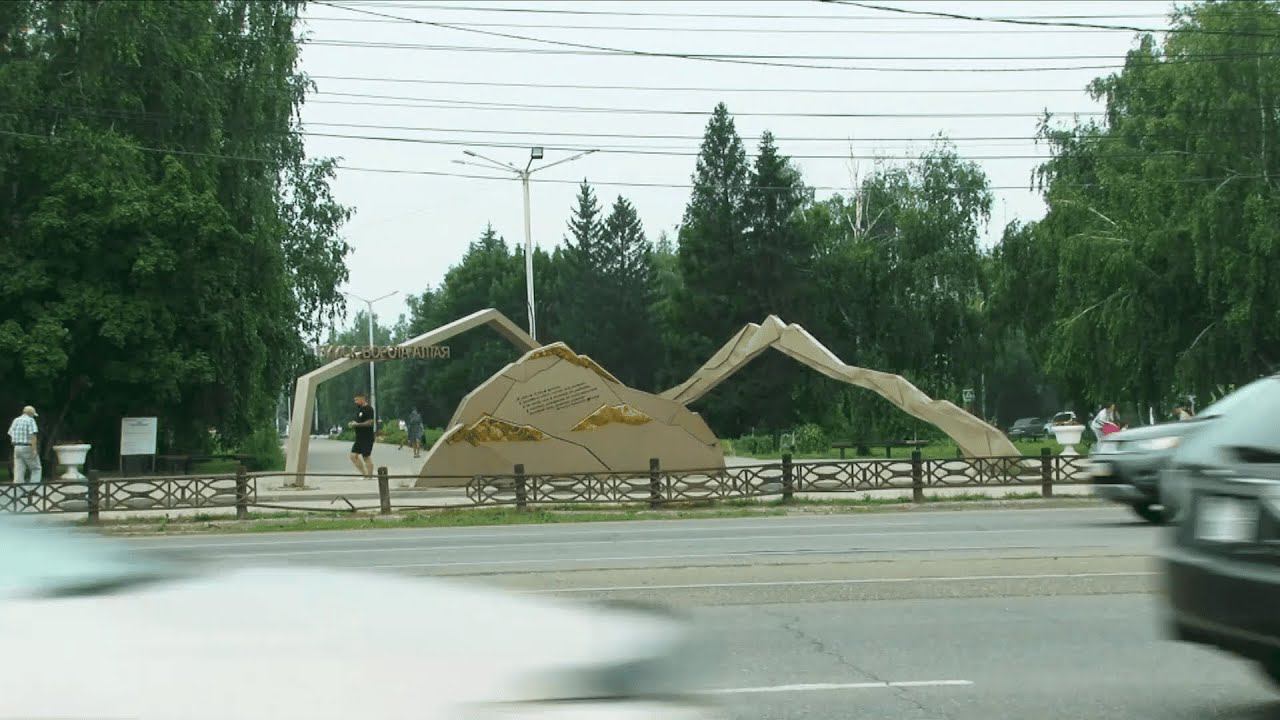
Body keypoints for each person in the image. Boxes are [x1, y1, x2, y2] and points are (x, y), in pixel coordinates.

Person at [7, 405, 41, 485]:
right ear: (31, 414)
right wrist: (34, 450)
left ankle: (18, 490)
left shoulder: (16, 420)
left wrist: (15, 443)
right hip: (27, 447)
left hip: (17, 447)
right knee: (36, 468)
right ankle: (33, 489)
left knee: (19, 469)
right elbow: (33, 436)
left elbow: (10, 433)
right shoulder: (30, 420)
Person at [348, 394, 375, 478]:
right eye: (354, 400)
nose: (355, 402)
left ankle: (369, 476)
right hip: (359, 437)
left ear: (362, 399)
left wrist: (358, 424)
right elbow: (358, 421)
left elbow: (370, 422)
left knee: (366, 456)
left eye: (357, 400)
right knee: (353, 456)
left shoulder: (369, 409)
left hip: (367, 437)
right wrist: (353, 423)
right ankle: (364, 474)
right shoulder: (359, 409)